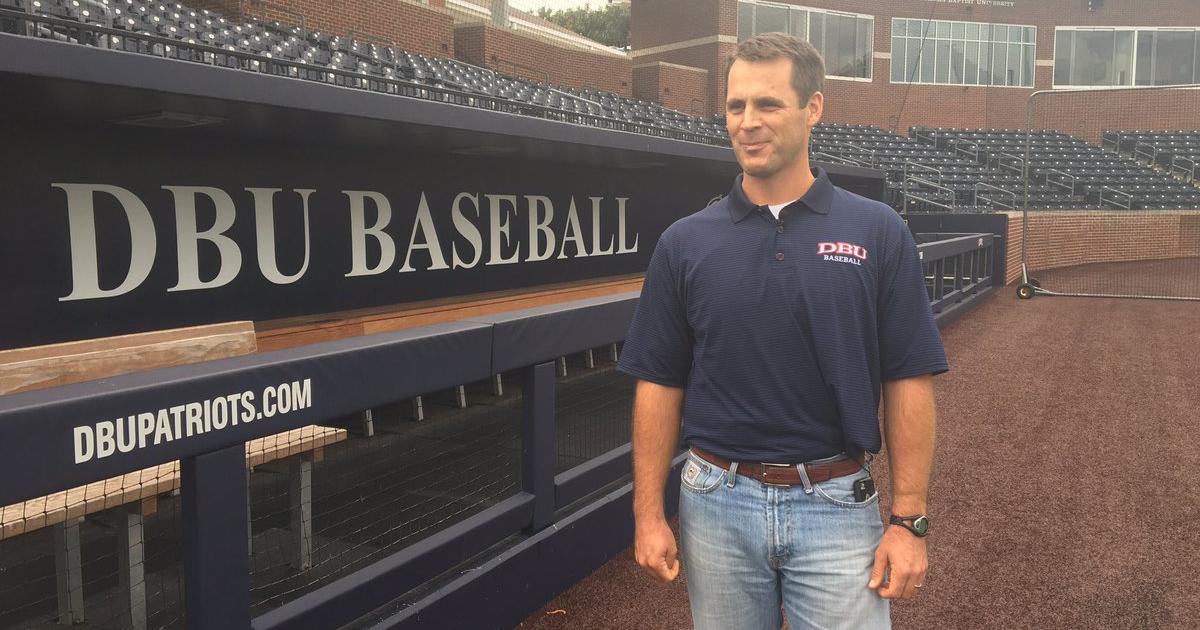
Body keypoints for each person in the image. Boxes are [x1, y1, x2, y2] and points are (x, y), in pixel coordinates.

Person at [617, 32, 948, 630]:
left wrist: (908, 521)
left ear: (813, 108)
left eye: (768, 104)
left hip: (836, 501)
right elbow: (658, 381)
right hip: (715, 500)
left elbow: (908, 376)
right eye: (736, 106)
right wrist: (647, 514)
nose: (748, 122)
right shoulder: (684, 241)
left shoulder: (877, 229)